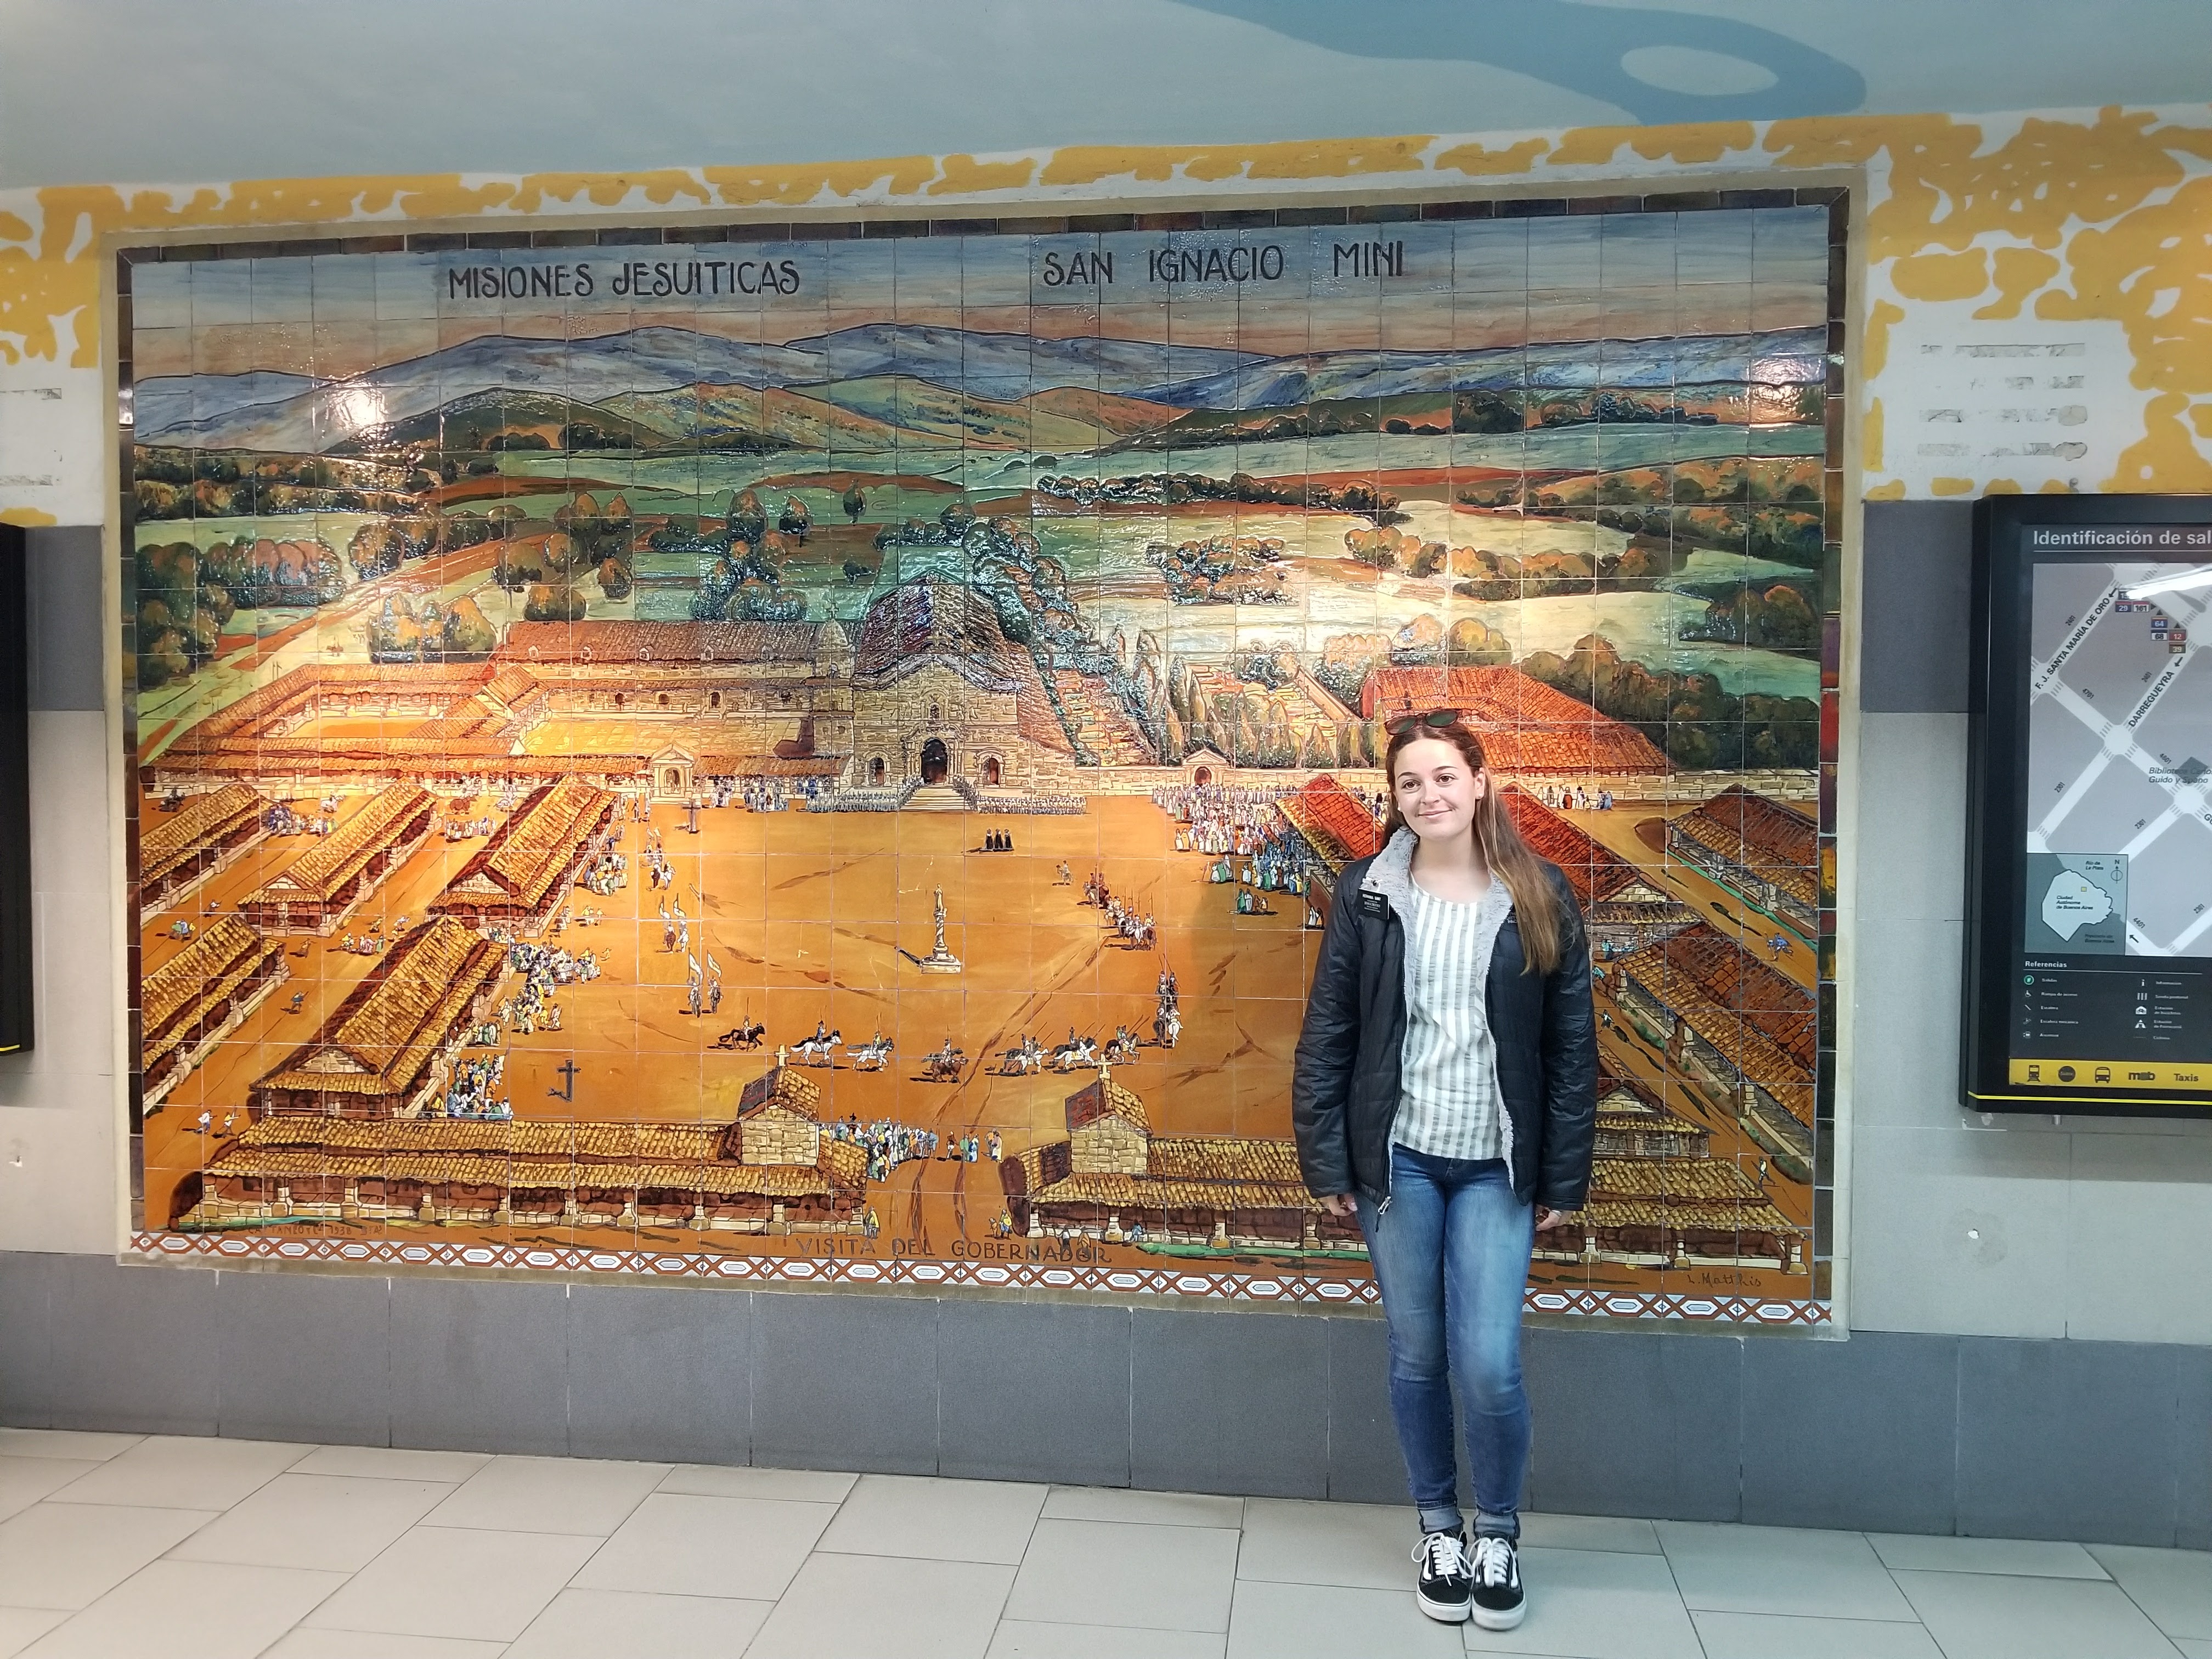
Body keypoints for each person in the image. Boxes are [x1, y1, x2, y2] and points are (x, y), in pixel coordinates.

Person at [1291, 710, 1595, 1633]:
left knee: (1490, 1364)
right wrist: (1328, 1160)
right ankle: (1438, 1527)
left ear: (1480, 781)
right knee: (1418, 1354)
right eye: (1410, 783)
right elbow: (1330, 1033)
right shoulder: (1369, 894)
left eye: (1444, 777)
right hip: (1401, 1164)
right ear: (1395, 798)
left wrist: (1562, 1179)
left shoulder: (1539, 894)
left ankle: (1496, 1530)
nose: (1429, 797)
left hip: (1499, 1166)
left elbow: (1572, 1050)